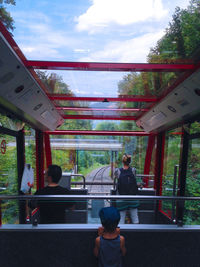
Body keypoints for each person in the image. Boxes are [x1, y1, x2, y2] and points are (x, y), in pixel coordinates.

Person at [115, 154, 139, 224]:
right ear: (130, 162)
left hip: (122, 198)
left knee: (121, 218)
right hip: (133, 198)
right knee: (135, 217)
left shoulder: (117, 171)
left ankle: (122, 232)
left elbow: (116, 178)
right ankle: (136, 232)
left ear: (122, 162)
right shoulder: (133, 170)